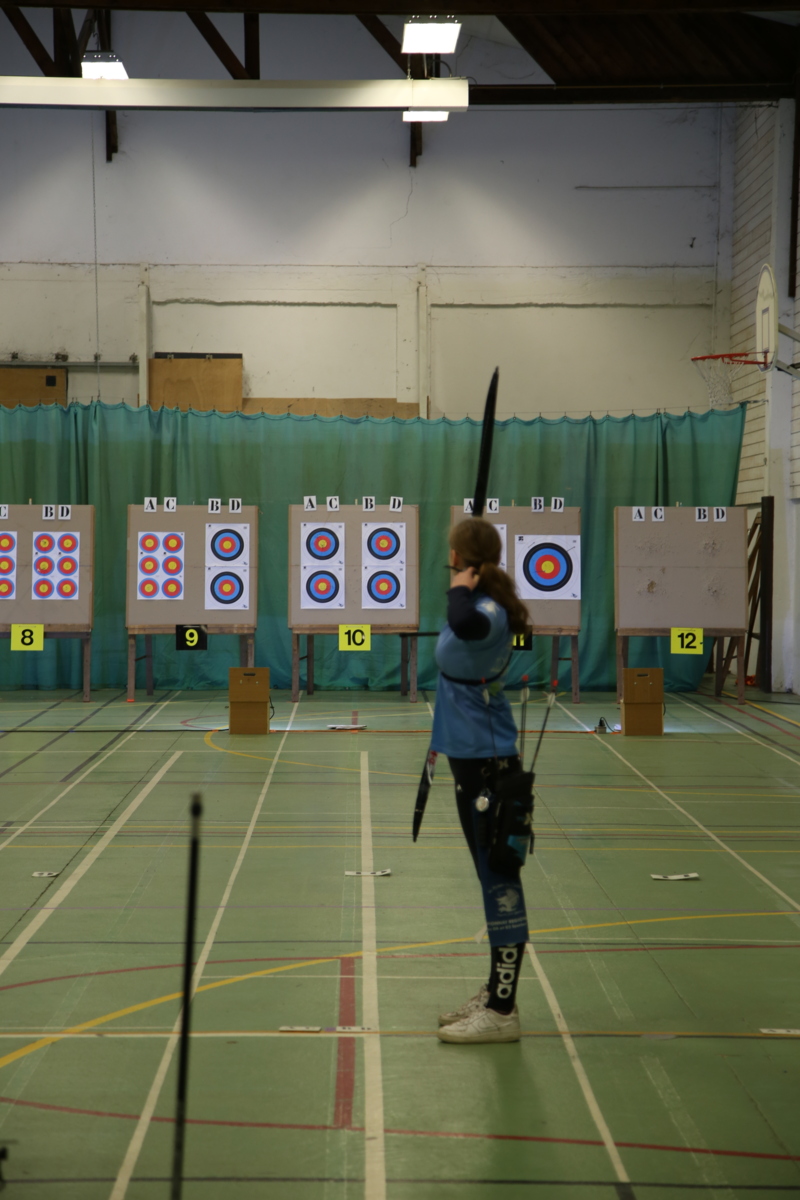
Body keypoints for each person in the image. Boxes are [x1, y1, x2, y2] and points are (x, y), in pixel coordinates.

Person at [431, 517, 533, 1045]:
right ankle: (495, 992)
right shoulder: (481, 604)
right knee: (489, 878)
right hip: (471, 761)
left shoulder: (486, 613)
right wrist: (464, 583)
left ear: (460, 558)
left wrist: (459, 585)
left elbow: (463, 621)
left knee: (500, 885)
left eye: (452, 552)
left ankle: (502, 1010)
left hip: (488, 765)